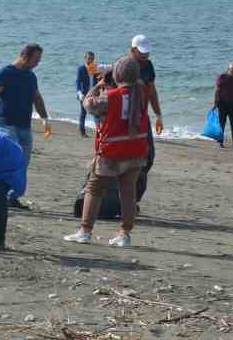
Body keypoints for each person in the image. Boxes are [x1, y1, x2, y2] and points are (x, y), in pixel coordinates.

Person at [64, 56, 150, 248]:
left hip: (112, 151)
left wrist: (99, 84)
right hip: (136, 149)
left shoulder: (110, 97)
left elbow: (88, 104)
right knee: (128, 192)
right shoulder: (142, 93)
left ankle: (85, 231)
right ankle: (124, 234)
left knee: (94, 189)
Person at [0, 43, 52, 209]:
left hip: (25, 126)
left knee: (23, 162)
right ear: (25, 56)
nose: (37, 63)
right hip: (6, 124)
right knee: (11, 159)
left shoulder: (30, 76)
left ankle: (12, 196)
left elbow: (37, 97)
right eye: (36, 59)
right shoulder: (5, 73)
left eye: (39, 60)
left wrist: (45, 118)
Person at [129, 35, 165, 203]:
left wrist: (158, 114)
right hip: (127, 118)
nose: (145, 56)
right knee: (128, 159)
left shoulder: (148, 65)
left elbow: (151, 90)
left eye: (147, 52)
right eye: (142, 53)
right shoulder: (124, 66)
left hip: (144, 116)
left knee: (148, 157)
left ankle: (133, 198)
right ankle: (127, 199)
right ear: (132, 50)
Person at [214, 62, 233, 150]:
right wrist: (215, 103)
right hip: (222, 104)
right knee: (221, 124)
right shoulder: (222, 77)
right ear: (228, 69)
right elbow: (217, 90)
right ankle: (220, 142)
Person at [75, 52, 100, 136]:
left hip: (94, 93)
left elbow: (98, 80)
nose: (91, 60)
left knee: (96, 113)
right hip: (83, 94)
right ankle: (82, 132)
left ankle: (98, 131)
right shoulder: (81, 69)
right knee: (83, 112)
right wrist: (79, 93)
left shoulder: (94, 68)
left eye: (92, 59)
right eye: (89, 58)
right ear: (85, 58)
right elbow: (78, 82)